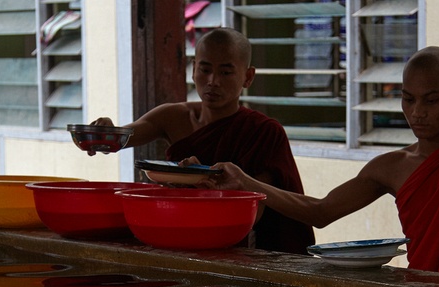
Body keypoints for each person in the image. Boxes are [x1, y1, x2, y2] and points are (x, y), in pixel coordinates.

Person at [205, 46, 439, 286]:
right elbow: (321, 211)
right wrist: (246, 182)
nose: (417, 112)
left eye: (432, 100)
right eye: (408, 99)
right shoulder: (391, 167)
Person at [91, 27, 315, 255]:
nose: (213, 81)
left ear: (247, 77)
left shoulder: (263, 132)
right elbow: (123, 136)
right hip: (178, 234)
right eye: (205, 69)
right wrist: (106, 133)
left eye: (226, 73)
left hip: (242, 248)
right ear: (193, 69)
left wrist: (207, 190)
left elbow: (253, 211)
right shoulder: (172, 117)